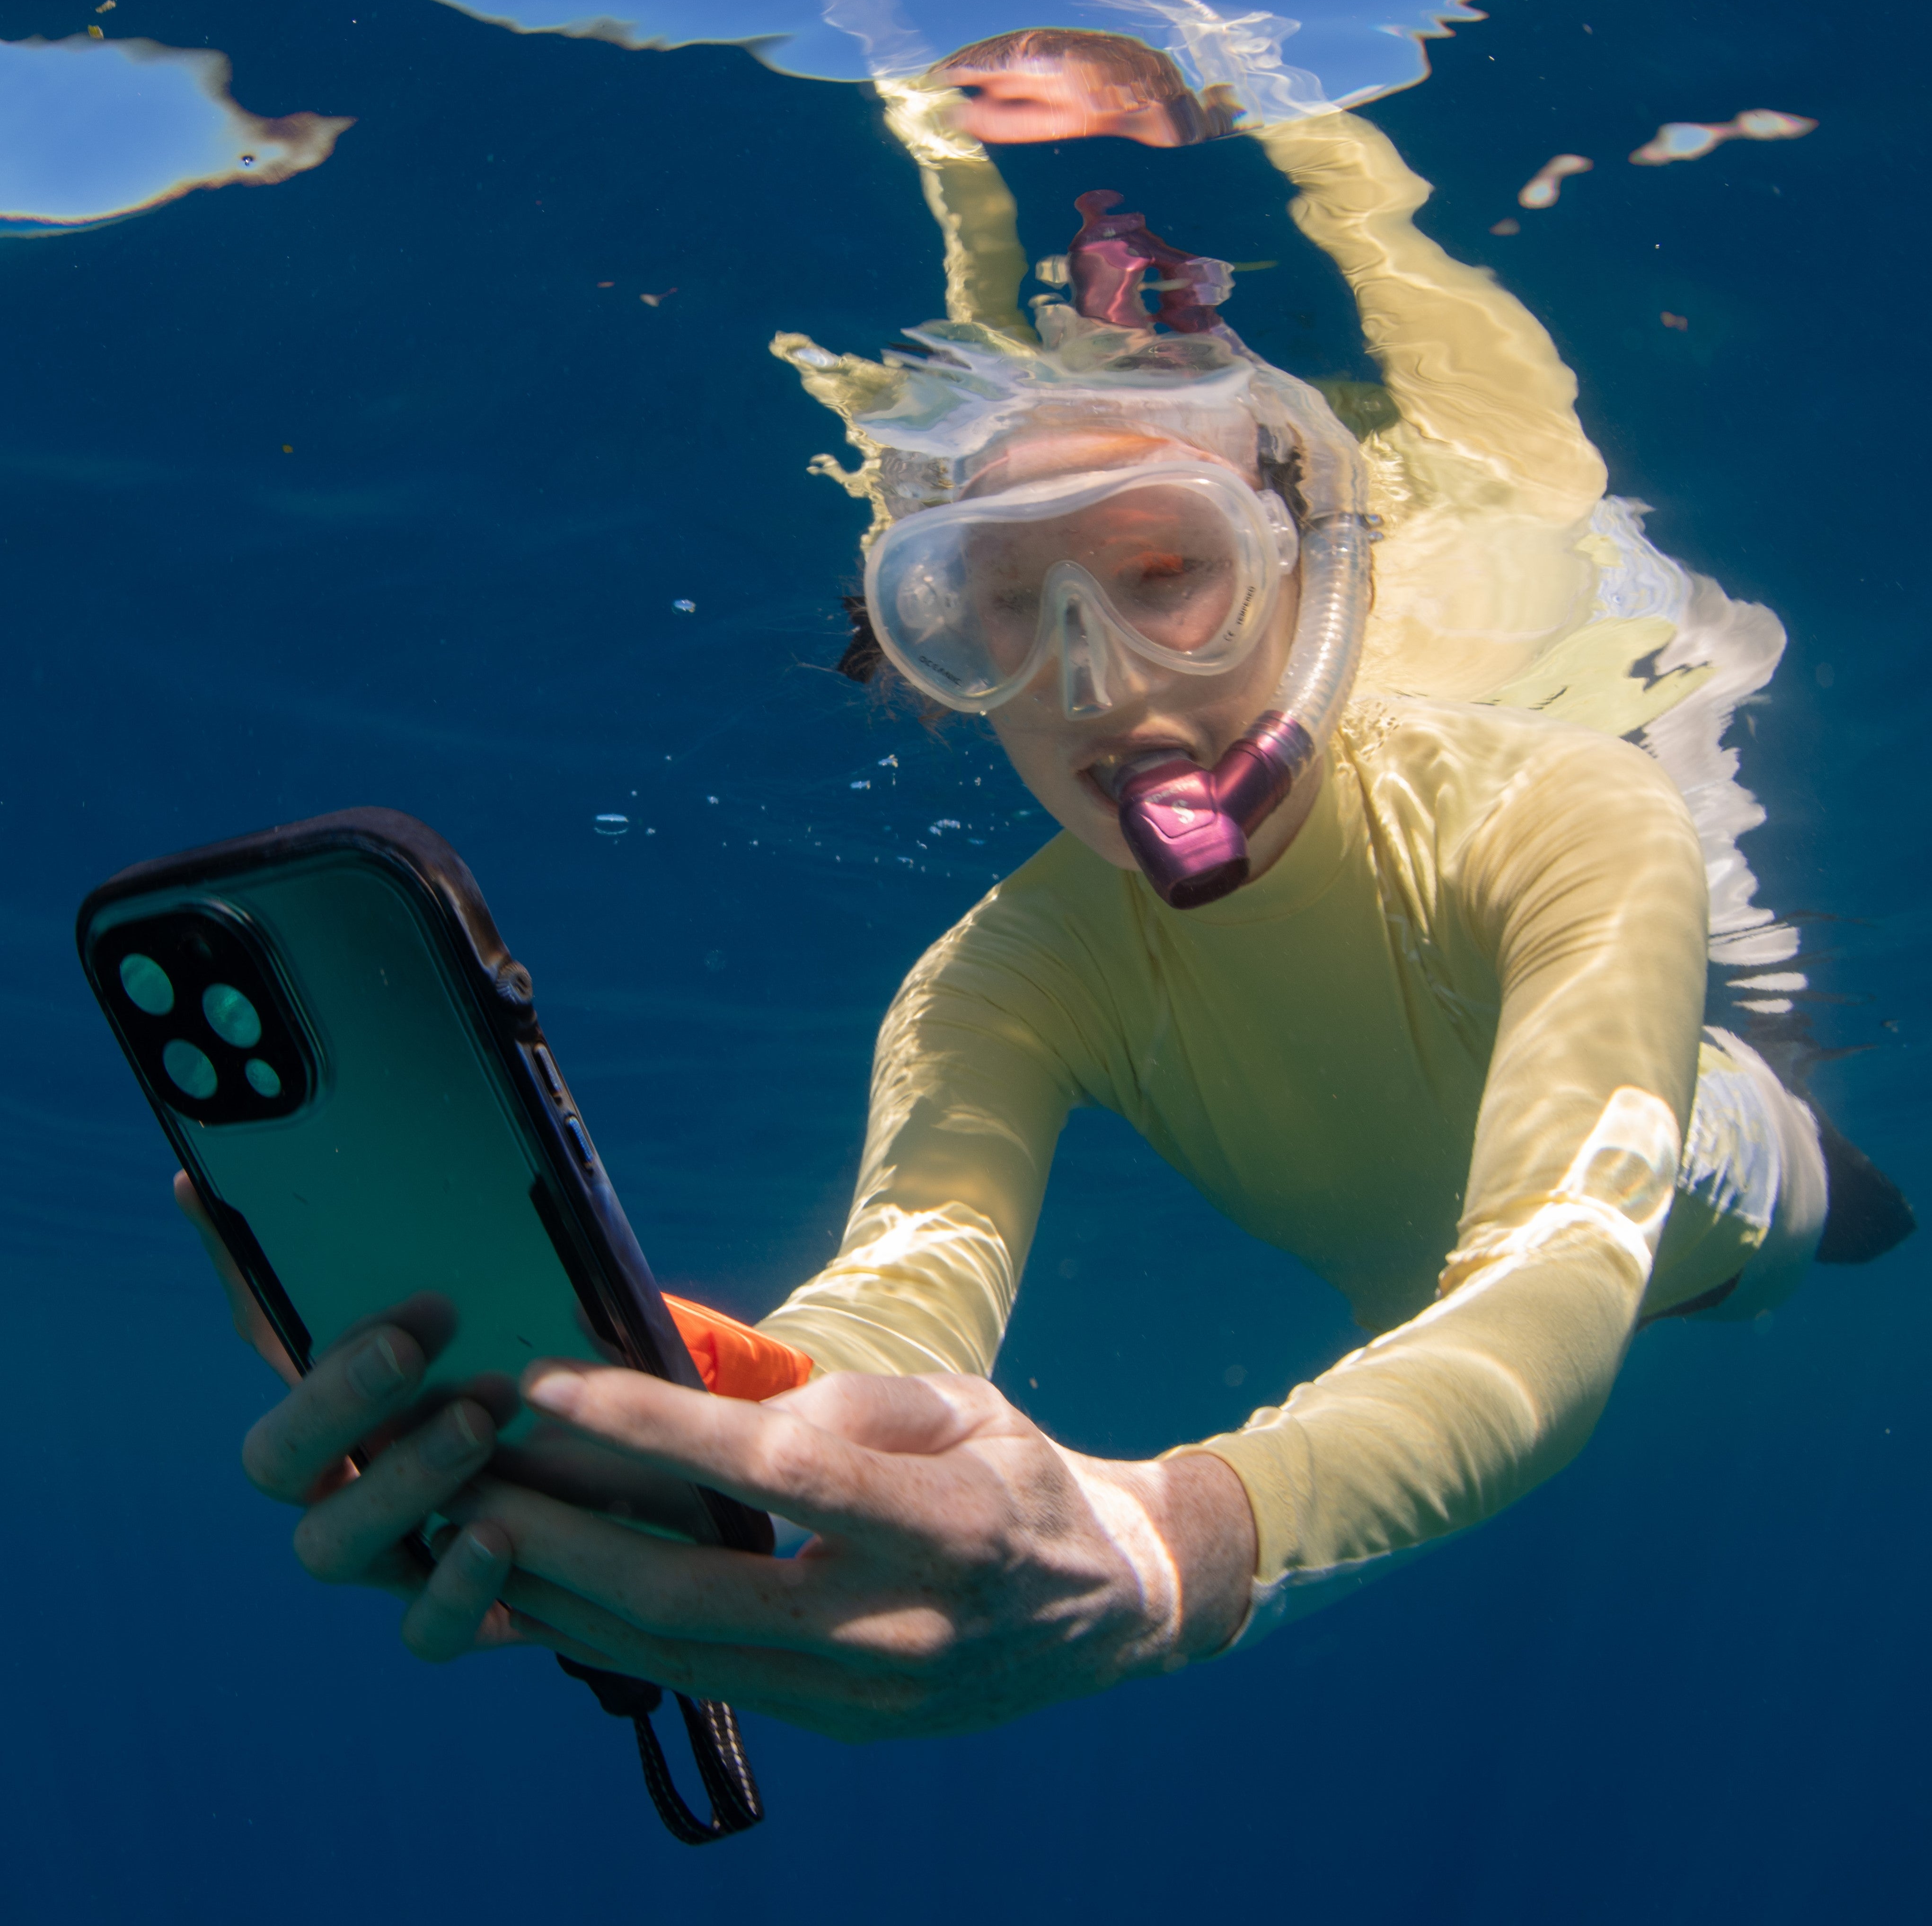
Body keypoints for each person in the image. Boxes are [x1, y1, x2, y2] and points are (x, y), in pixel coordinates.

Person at [186, 98, 1912, 1743]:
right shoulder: (1000, 978)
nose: (1096, 684)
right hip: (1433, 1271)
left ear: (1319, 575)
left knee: (1847, 1207)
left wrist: (1177, 1547)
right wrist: (645, 1409)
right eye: (996, 609)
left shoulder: (1558, 812)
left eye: (1169, 573)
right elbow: (893, 1309)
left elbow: (1542, 1286)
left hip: (1713, 1205)